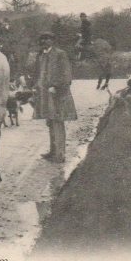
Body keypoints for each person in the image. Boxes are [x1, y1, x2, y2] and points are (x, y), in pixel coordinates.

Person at [33, 32, 78, 163]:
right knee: (50, 121)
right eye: (42, 39)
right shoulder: (41, 56)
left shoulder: (60, 54)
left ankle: (60, 154)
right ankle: (53, 151)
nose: (43, 42)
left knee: (58, 122)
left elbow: (66, 74)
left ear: (52, 41)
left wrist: (57, 86)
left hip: (58, 93)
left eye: (46, 39)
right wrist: (36, 86)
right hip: (45, 94)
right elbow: (40, 74)